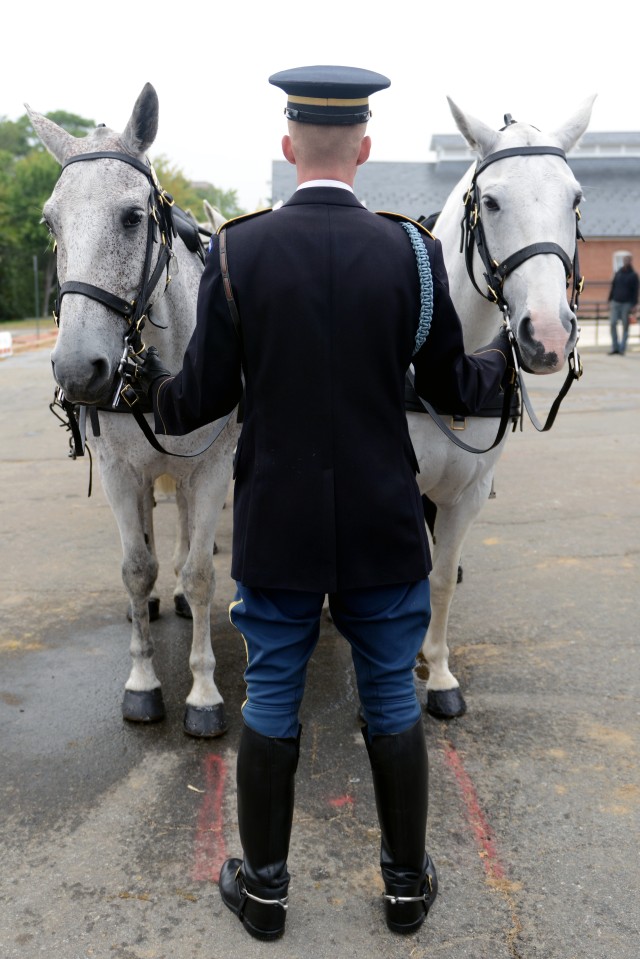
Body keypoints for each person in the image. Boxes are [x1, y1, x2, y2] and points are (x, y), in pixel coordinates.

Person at [132, 65, 513, 941]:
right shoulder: (412, 253)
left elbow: (194, 402)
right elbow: (454, 383)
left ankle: (263, 892)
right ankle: (407, 889)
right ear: (365, 150)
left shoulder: (237, 251)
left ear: (288, 146)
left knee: (270, 699)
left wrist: (145, 385)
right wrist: (504, 371)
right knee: (389, 699)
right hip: (384, 525)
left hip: (280, 525)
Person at [607, 254, 638, 355]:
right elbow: (613, 287)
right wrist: (610, 300)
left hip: (627, 304)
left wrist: (634, 304)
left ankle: (622, 348)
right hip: (615, 302)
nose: (625, 262)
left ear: (630, 262)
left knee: (625, 326)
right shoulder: (618, 273)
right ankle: (615, 347)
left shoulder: (633, 275)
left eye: (627, 260)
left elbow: (636, 291)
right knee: (612, 323)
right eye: (624, 260)